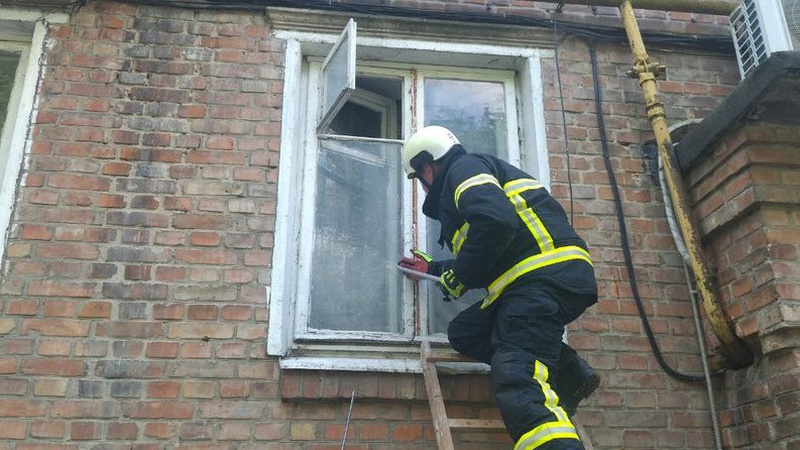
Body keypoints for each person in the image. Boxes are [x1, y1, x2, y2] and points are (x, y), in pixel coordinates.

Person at [398, 125, 599, 449]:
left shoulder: (463, 169)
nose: (422, 188)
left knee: (518, 377)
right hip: (530, 280)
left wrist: (460, 275)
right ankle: (570, 371)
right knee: (466, 331)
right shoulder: (462, 185)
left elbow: (496, 222)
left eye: (418, 179)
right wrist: (434, 269)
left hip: (541, 276)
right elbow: (491, 250)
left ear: (427, 165)